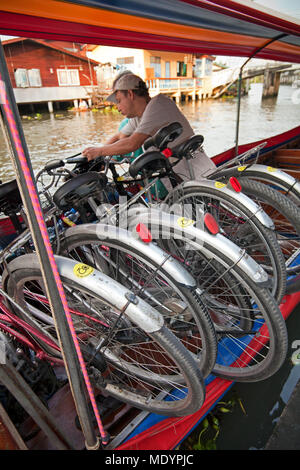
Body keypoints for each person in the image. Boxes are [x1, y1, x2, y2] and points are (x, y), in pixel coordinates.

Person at [82, 73, 216, 186]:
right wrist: (97, 157)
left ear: (130, 94)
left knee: (216, 209)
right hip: (177, 172)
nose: (117, 107)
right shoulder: (138, 116)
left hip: (194, 167)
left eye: (119, 100)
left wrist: (99, 151)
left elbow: (132, 143)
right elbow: (120, 137)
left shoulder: (157, 104)